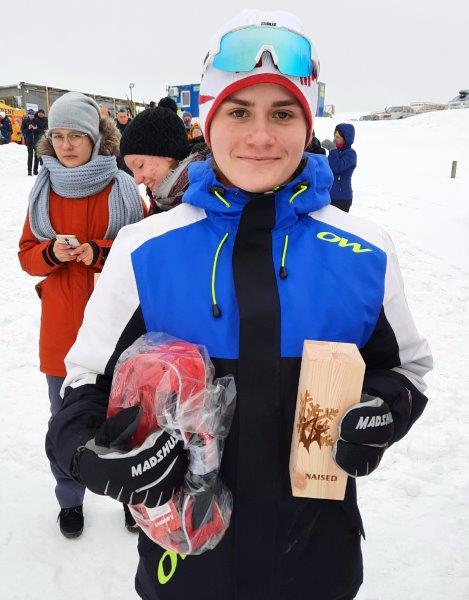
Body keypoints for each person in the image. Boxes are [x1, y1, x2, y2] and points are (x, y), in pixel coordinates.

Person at [46, 10, 432, 600]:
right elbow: (84, 384)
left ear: (308, 124)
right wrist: (89, 453)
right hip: (187, 569)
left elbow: (406, 371)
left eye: (283, 113)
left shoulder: (364, 250)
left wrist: (387, 409)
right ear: (208, 120)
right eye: (239, 111)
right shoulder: (146, 249)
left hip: (316, 568)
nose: (260, 136)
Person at [19, 91, 146, 539]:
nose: (66, 144)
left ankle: (132, 496)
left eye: (76, 135)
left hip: (117, 331)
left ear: (95, 138)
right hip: (61, 331)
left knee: (128, 417)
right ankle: (70, 499)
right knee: (66, 423)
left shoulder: (122, 188)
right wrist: (51, 252)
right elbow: (26, 255)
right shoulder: (43, 190)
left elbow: (143, 253)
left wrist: (100, 252)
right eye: (58, 136)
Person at [120, 106, 209, 215]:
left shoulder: (210, 197)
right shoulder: (160, 202)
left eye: (140, 165)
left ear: (168, 151)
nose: (137, 180)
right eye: (132, 171)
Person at [328, 123, 357, 212]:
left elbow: (337, 167)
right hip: (330, 195)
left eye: (337, 137)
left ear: (346, 138)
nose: (334, 139)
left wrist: (332, 150)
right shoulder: (336, 151)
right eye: (334, 136)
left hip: (341, 198)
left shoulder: (351, 154)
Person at [21, 109, 40, 175]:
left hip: (36, 141)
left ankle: (35, 170)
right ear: (28, 115)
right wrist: (28, 129)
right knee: (30, 156)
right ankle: (29, 171)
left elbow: (40, 130)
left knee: (37, 156)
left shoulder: (37, 120)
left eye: (32, 114)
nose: (32, 116)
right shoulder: (25, 121)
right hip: (29, 141)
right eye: (30, 114)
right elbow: (23, 131)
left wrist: (36, 129)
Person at [114, 108, 132, 175]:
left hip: (130, 153)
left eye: (124, 116)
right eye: (121, 117)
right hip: (119, 155)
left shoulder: (133, 126)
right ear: (117, 118)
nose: (123, 119)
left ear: (127, 117)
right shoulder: (113, 128)